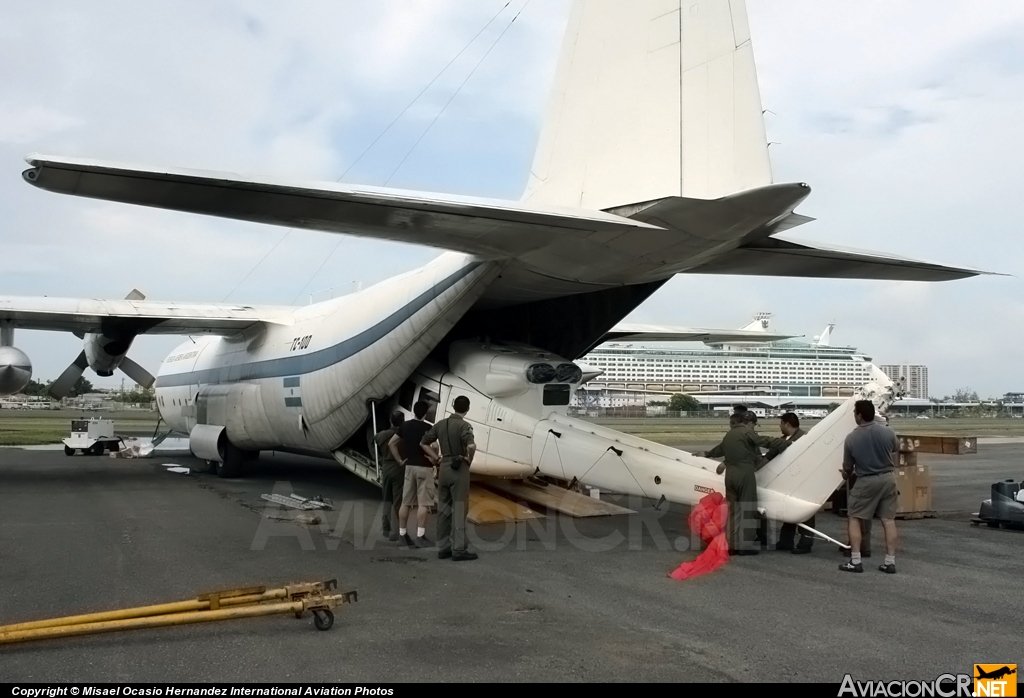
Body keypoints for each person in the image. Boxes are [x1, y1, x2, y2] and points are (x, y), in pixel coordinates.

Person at [695, 412, 791, 555]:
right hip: (744, 474)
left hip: (730, 476)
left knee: (733, 511)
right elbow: (765, 441)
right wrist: (786, 443)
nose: (753, 428)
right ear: (750, 423)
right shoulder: (746, 433)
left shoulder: (730, 434)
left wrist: (706, 454)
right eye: (753, 425)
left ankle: (731, 545)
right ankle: (745, 546)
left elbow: (719, 449)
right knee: (748, 509)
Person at [838, 399, 899, 574]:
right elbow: (895, 447)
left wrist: (844, 474)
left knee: (854, 517)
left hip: (866, 480)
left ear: (859, 415)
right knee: (888, 520)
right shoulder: (887, 432)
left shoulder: (852, 438)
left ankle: (855, 560)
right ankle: (890, 561)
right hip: (888, 478)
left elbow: (848, 468)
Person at [422, 395, 477, 561]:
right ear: (467, 408)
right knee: (459, 509)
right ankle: (459, 549)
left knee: (443, 510)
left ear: (453, 406)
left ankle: (443, 547)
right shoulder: (464, 425)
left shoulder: (440, 424)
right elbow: (471, 445)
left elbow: (423, 442)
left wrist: (436, 458)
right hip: (459, 468)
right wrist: (469, 459)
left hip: (444, 467)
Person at [765, 412, 815, 554]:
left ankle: (806, 543)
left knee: (805, 513)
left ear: (787, 424)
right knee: (789, 510)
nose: (780, 426)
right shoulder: (785, 439)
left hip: (804, 480)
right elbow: (769, 456)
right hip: (790, 481)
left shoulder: (805, 440)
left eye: (781, 423)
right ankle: (786, 541)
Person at [388, 400, 435, 548]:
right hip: (424, 467)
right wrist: (435, 459)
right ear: (425, 413)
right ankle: (420, 537)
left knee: (406, 502)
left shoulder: (405, 426)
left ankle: (402, 535)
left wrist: (400, 460)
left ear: (414, 411)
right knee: (423, 503)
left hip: (409, 467)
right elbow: (434, 446)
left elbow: (391, 443)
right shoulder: (429, 428)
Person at [373, 410, 405, 542]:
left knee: (387, 498)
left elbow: (374, 439)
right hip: (399, 467)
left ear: (390, 421)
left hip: (386, 467)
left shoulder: (381, 436)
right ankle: (397, 530)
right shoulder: (403, 436)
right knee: (398, 501)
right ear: (403, 421)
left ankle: (386, 528)